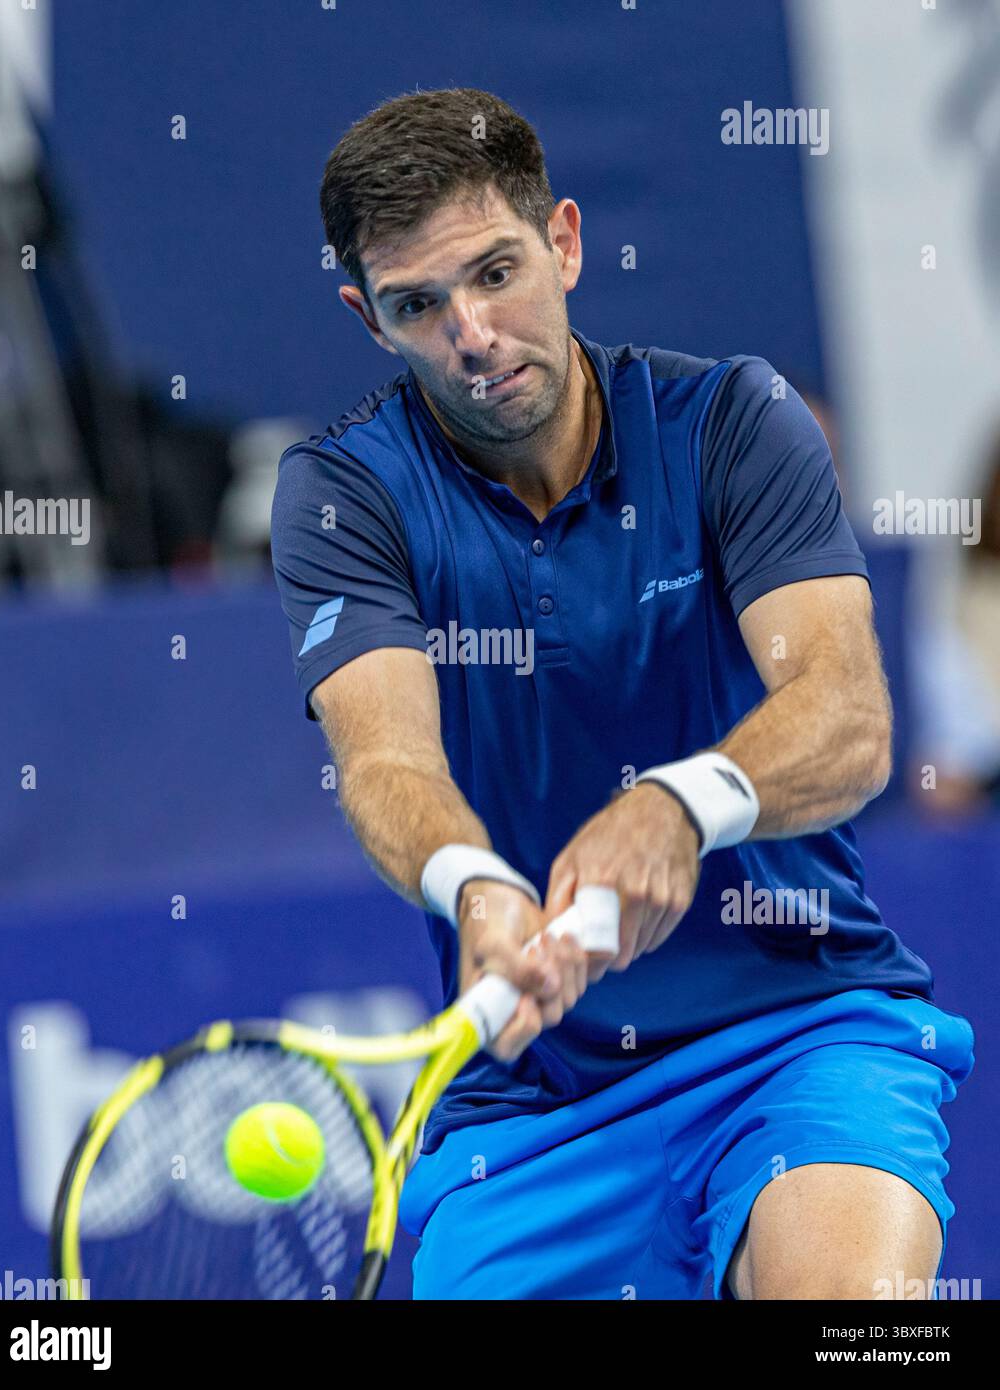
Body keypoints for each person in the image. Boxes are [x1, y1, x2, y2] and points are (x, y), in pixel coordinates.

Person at [270, 88, 974, 1300]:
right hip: (532, 1099)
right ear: (366, 319)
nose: (472, 333)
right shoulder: (345, 493)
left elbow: (849, 718)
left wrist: (681, 804)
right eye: (417, 306)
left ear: (567, 243)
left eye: (495, 273)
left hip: (793, 1033)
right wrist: (473, 883)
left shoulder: (729, 423)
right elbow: (385, 759)